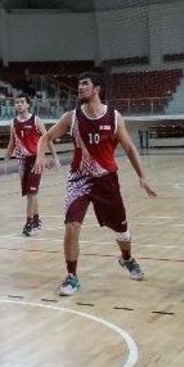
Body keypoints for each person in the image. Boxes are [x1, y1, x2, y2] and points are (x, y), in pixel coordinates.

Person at [33, 72, 158, 296]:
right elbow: (45, 137)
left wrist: (142, 177)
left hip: (107, 181)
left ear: (96, 88)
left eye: (84, 84)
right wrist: (40, 156)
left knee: (122, 232)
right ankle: (72, 276)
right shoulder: (71, 117)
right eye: (79, 83)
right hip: (78, 181)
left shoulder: (114, 117)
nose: (80, 88)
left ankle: (127, 259)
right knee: (72, 226)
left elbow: (129, 148)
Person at [6, 95, 60, 236]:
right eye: (17, 102)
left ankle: (29, 223)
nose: (19, 105)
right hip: (22, 161)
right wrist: (6, 160)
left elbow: (48, 139)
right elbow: (11, 143)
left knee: (31, 192)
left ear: (28, 105)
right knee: (31, 193)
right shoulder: (13, 123)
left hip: (36, 159)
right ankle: (36, 220)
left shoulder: (36, 120)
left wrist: (55, 157)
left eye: (22, 102)